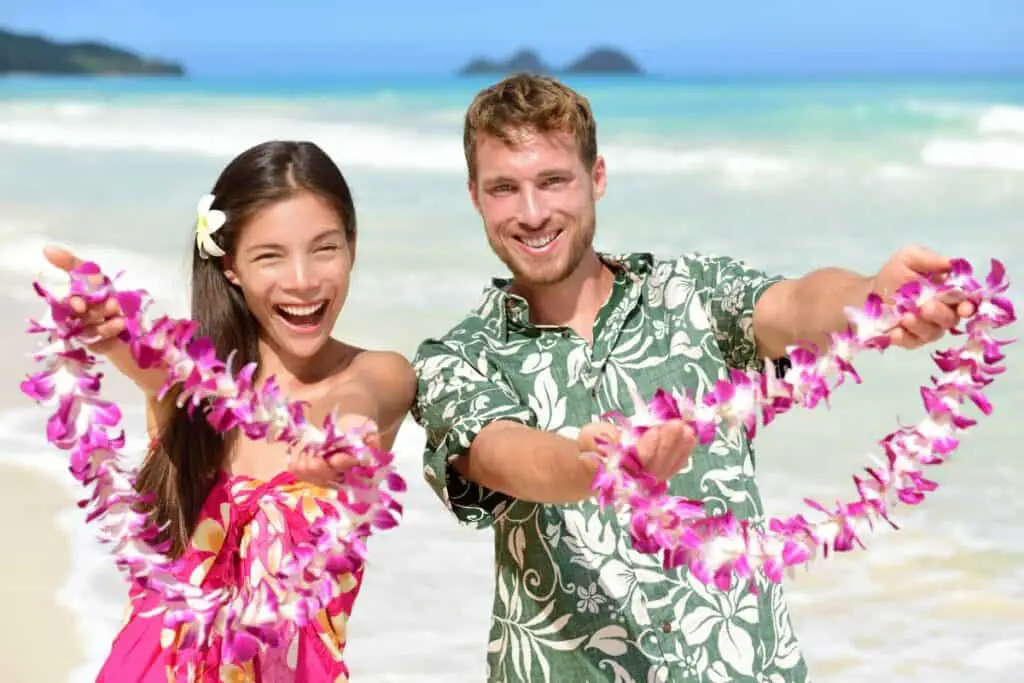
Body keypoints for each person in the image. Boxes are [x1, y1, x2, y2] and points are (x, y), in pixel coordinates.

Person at [411, 74, 973, 683]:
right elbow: (503, 454)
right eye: (503, 189)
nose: (532, 212)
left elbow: (796, 306)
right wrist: (600, 467)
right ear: (474, 196)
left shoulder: (694, 294)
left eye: (553, 180)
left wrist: (869, 296)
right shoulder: (457, 357)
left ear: (596, 177)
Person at [44, 140, 416, 682]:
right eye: (270, 255)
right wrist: (107, 327)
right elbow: (148, 358)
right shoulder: (193, 377)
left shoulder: (379, 374)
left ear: (352, 248)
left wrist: (348, 435)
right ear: (232, 267)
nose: (303, 279)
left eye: (324, 249)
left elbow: (358, 398)